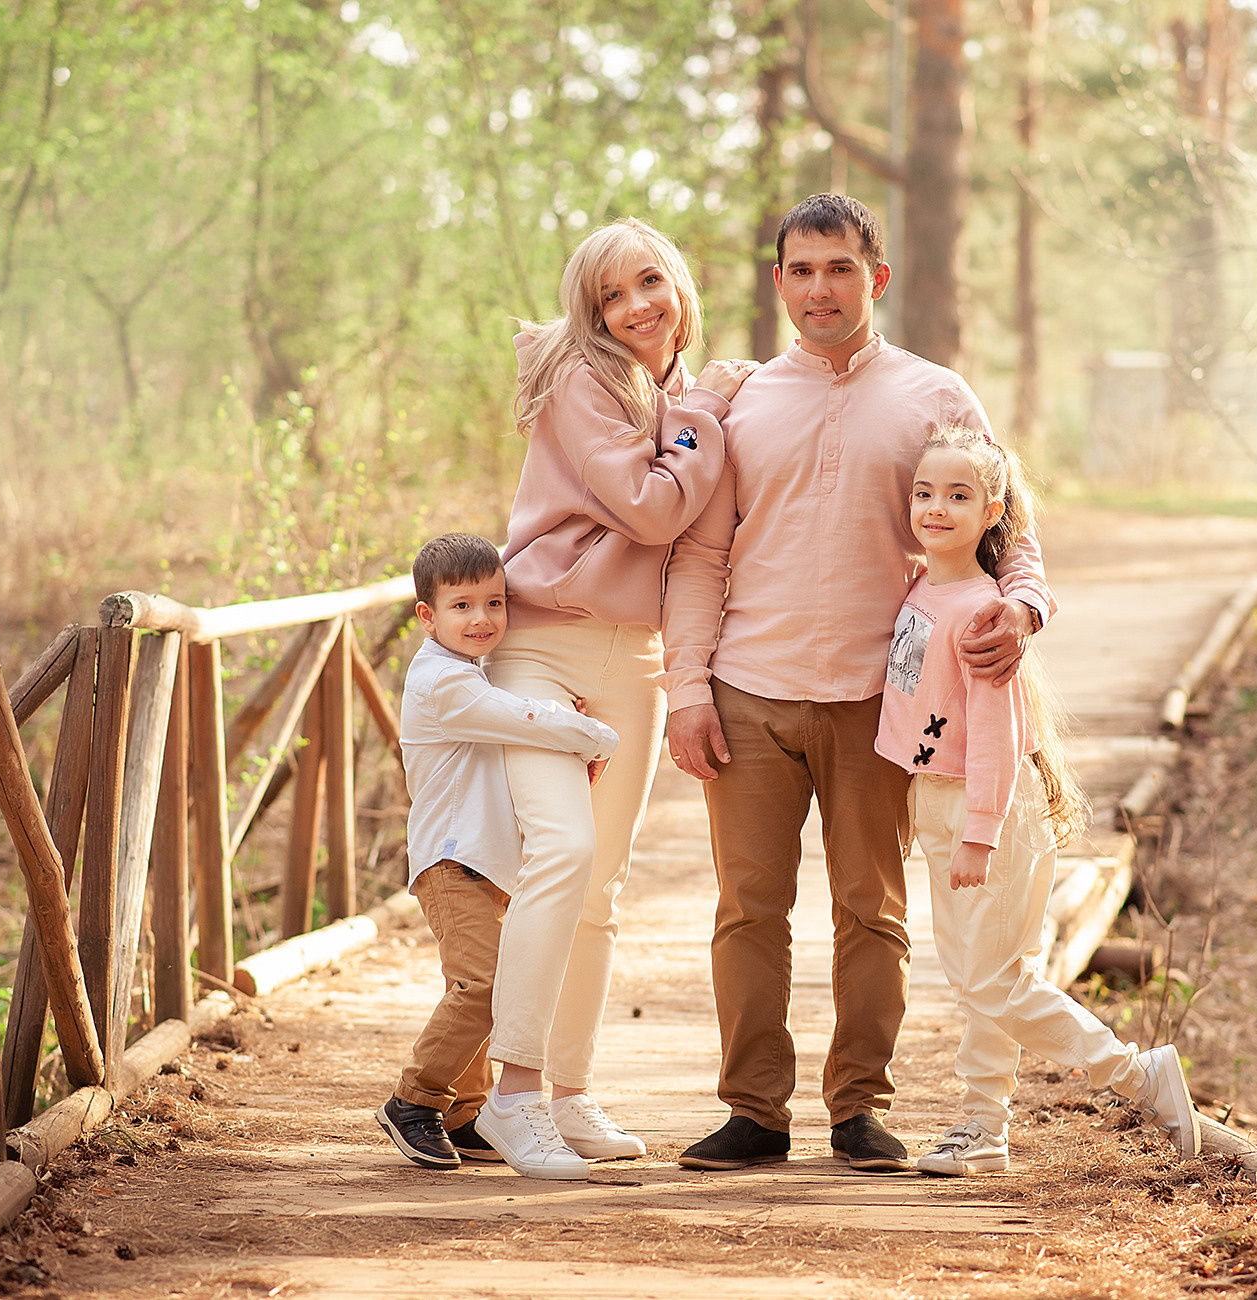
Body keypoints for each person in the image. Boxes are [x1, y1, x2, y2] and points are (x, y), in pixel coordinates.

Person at [662, 193, 1055, 1172]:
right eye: (800, 270)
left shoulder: (936, 396)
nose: (819, 288)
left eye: (839, 268)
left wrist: (1022, 608)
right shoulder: (743, 401)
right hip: (748, 690)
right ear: (778, 282)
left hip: (887, 699)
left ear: (875, 277)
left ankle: (858, 1109)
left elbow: (1010, 532)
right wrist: (686, 689)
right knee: (747, 909)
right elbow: (700, 556)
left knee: (871, 910)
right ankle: (753, 1111)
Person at [474, 218, 759, 1180]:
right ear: (589, 313)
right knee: (560, 850)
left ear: (680, 286)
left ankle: (569, 1090)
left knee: (602, 882)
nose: (636, 307)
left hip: (631, 658)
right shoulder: (580, 379)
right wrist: (706, 413)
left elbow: (696, 553)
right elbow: (649, 507)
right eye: (611, 296)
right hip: (541, 643)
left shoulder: (687, 397)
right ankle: (511, 1096)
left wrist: (686, 680)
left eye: (650, 282)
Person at [879, 425, 1200, 1176]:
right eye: (924, 493)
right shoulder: (921, 589)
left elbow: (994, 736)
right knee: (979, 978)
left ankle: (1137, 1074)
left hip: (989, 809)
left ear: (992, 513)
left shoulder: (984, 614)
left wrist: (980, 832)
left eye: (958, 496)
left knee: (994, 979)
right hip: (940, 801)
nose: (936, 508)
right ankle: (984, 1126)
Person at [375, 533, 618, 1173]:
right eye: (461, 606)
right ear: (427, 616)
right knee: (484, 986)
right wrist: (594, 735)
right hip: (452, 862)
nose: (481, 619)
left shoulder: (473, 673)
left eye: (495, 603)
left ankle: (467, 1112)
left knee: (485, 982)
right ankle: (415, 1099)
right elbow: (523, 719)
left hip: (487, 862)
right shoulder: (443, 683)